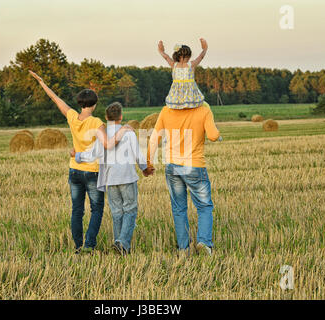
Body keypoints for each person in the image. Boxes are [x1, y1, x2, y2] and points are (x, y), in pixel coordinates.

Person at [29, 71, 132, 254]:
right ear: (94, 104)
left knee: (77, 210)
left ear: (80, 104)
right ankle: (89, 245)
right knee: (97, 209)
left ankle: (78, 246)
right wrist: (123, 130)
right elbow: (108, 144)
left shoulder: (72, 117)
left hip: (74, 170)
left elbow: (56, 99)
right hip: (92, 171)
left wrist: (42, 83)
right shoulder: (96, 122)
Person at [72, 102, 154, 255]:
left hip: (110, 179)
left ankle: (119, 243)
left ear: (106, 117)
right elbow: (137, 154)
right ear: (121, 116)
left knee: (117, 212)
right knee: (130, 210)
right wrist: (145, 169)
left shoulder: (102, 134)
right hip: (127, 177)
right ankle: (122, 243)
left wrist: (76, 155)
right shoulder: (128, 133)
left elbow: (92, 154)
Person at [147, 100, 221, 256]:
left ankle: (183, 249)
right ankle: (204, 242)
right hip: (194, 165)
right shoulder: (203, 110)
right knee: (204, 206)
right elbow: (213, 136)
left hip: (172, 165)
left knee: (179, 209)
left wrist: (149, 162)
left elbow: (154, 138)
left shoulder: (166, 110)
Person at [158, 38, 208, 110]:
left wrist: (161, 50)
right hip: (190, 96)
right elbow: (201, 57)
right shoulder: (191, 64)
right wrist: (205, 49)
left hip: (177, 96)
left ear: (177, 55)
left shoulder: (174, 64)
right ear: (189, 55)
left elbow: (166, 57)